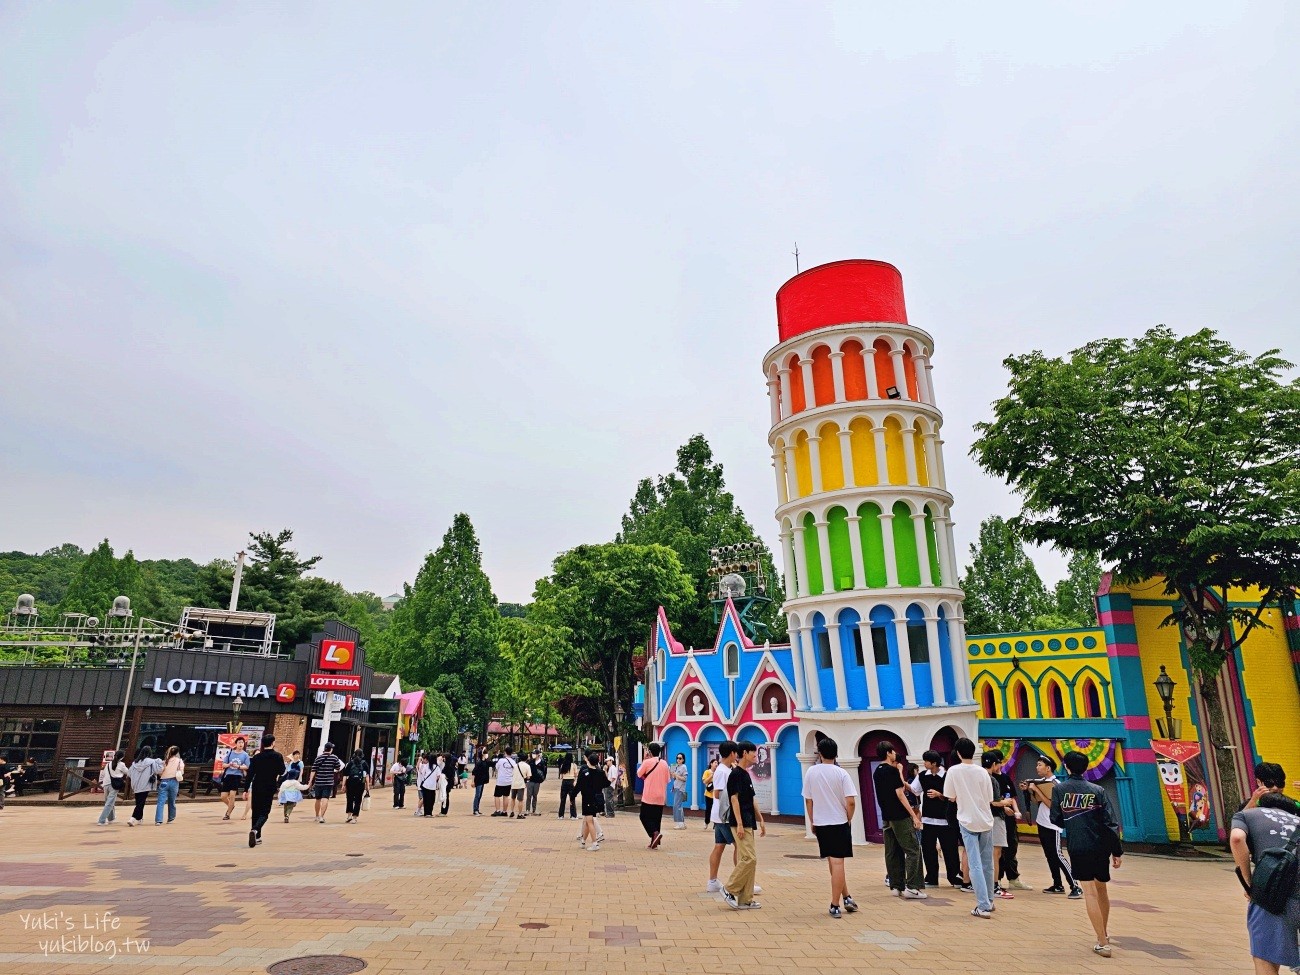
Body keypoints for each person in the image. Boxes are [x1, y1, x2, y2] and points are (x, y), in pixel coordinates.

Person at [1051, 750, 1124, 957]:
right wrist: (1116, 851)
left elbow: (1055, 818)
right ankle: (1105, 933)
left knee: (1089, 892)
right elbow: (1111, 823)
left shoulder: (1060, 790)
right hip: (1101, 846)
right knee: (1102, 890)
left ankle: (1102, 941)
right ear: (1085, 768)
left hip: (1078, 845)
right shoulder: (1097, 790)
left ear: (1066, 767)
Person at [1231, 792, 1300, 975]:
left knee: (1265, 958)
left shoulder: (1247, 815)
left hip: (1272, 892)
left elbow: (1237, 838)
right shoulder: (1297, 819)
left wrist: (1248, 883)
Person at [803, 737, 859, 918]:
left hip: (821, 823)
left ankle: (846, 896)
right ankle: (835, 904)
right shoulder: (841, 774)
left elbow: (808, 800)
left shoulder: (811, 772)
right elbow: (850, 801)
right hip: (839, 822)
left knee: (832, 861)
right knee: (837, 862)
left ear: (820, 753)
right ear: (836, 753)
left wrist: (813, 820)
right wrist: (848, 818)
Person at [944, 737, 996, 919]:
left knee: (974, 864)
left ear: (958, 753)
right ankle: (989, 900)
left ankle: (982, 905)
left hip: (967, 821)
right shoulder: (982, 772)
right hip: (986, 820)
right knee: (987, 863)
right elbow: (989, 798)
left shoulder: (953, 771)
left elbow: (949, 796)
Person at [1021, 754, 1081, 897]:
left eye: (1040, 765)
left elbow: (1052, 805)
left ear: (1048, 768)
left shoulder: (1056, 784)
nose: (1037, 767)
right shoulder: (1041, 782)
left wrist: (1036, 790)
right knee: (1050, 855)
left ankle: (1075, 885)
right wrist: (1028, 790)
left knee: (1058, 855)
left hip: (1052, 825)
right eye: (1037, 764)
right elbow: (1038, 802)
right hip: (1042, 822)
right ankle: (1057, 884)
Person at [874, 740, 925, 899]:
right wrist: (913, 816)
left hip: (887, 816)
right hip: (900, 816)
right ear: (889, 753)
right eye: (893, 751)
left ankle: (896, 886)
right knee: (913, 849)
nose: (895, 753)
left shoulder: (877, 771)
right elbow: (900, 794)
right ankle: (912, 887)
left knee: (892, 851)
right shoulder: (891, 770)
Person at [721, 740, 765, 909]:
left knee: (750, 860)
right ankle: (729, 888)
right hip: (740, 823)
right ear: (745, 753)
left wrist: (761, 819)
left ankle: (745, 899)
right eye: (753, 752)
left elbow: (752, 799)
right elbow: (734, 799)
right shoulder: (736, 774)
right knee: (749, 858)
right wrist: (739, 823)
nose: (756, 755)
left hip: (749, 822)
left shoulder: (746, 774)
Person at [911, 750, 962, 888]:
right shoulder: (922, 776)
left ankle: (954, 877)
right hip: (928, 819)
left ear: (934, 763)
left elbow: (955, 795)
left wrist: (940, 794)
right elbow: (914, 790)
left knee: (950, 849)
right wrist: (900, 778)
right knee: (928, 849)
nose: (924, 763)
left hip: (946, 819)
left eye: (926, 761)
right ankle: (931, 877)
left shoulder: (947, 775)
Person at [987, 748, 1030, 893]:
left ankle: (1013, 878)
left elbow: (1011, 797)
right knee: (997, 850)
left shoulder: (1005, 778)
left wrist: (1016, 811)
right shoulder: (988, 779)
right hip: (997, 817)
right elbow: (992, 801)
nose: (999, 765)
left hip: (1009, 819)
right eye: (997, 763)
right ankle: (996, 879)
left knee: (1011, 847)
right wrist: (1003, 807)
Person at [982, 750, 1017, 899]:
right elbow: (993, 801)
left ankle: (983, 884)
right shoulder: (992, 780)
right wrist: (1005, 803)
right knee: (995, 853)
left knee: (982, 853)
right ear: (995, 764)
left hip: (979, 819)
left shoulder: (976, 777)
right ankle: (994, 885)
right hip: (995, 817)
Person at [245, 734, 286, 847]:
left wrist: (245, 789)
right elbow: (282, 771)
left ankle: (257, 837)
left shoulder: (257, 757)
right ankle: (255, 830)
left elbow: (250, 773)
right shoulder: (277, 756)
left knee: (256, 811)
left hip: (257, 785)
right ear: (273, 743)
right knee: (264, 812)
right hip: (269, 786)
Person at [707, 743, 737, 892]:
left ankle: (712, 881)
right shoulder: (723, 771)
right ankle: (742, 881)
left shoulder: (725, 770)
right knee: (740, 846)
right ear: (732, 753)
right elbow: (717, 793)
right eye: (736, 753)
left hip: (719, 815)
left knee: (719, 846)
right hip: (724, 815)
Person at [637, 743, 672, 849]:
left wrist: (644, 760)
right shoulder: (664, 763)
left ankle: (654, 833)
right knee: (656, 818)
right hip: (661, 795)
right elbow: (667, 780)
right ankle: (654, 841)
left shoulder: (647, 762)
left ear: (650, 752)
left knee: (644, 816)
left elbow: (639, 773)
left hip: (649, 795)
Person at [304, 742, 343, 824]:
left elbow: (313, 770)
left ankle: (317, 816)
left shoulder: (318, 758)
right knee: (325, 798)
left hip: (318, 781)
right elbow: (338, 768)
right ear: (331, 749)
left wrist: (310, 781)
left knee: (317, 799)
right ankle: (322, 817)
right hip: (328, 782)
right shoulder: (334, 758)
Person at [576, 750, 606, 851]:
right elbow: (606, 783)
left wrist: (572, 796)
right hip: (597, 799)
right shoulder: (600, 772)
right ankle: (583, 841)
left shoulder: (585, 772)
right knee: (588, 820)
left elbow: (578, 786)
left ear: (588, 760)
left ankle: (595, 843)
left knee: (589, 820)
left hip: (588, 799)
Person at [126, 746, 160, 826]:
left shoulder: (135, 763)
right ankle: (133, 818)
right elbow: (158, 770)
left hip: (136, 784)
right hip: (146, 784)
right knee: (141, 802)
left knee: (139, 801)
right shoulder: (152, 762)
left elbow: (129, 773)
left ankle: (139, 818)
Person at [218, 736, 250, 821]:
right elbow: (224, 764)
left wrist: (239, 766)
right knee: (223, 796)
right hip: (228, 775)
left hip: (237, 776)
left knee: (232, 795)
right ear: (236, 744)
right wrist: (229, 765)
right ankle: (231, 806)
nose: (241, 744)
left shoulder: (245, 755)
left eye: (242, 743)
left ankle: (228, 814)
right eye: (239, 742)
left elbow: (247, 766)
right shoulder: (230, 753)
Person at [97, 749, 128, 826]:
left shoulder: (108, 764)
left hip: (106, 784)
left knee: (108, 801)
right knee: (109, 803)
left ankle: (111, 818)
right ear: (122, 757)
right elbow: (128, 772)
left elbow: (103, 774)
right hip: (114, 785)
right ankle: (101, 820)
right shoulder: (121, 764)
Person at [155, 745, 184, 825]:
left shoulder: (165, 761)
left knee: (161, 801)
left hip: (164, 781)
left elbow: (160, 772)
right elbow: (181, 772)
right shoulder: (179, 761)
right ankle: (170, 818)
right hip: (174, 781)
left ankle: (158, 820)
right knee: (172, 801)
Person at [342, 750, 370, 824]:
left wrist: (343, 785)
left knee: (349, 799)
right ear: (362, 755)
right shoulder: (364, 763)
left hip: (350, 783)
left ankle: (349, 816)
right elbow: (366, 776)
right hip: (360, 784)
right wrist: (367, 786)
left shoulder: (350, 763)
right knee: (358, 800)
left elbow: (345, 775)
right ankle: (355, 817)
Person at [494, 748, 517, 817]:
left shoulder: (501, 760)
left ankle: (498, 810)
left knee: (497, 796)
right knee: (506, 796)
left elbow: (496, 767)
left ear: (505, 752)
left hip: (500, 781)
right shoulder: (513, 762)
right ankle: (504, 811)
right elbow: (515, 770)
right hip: (509, 781)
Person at [670, 752, 689, 829]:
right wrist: (672, 773)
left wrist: (676, 775)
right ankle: (681, 823)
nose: (678, 759)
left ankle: (680, 823)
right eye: (677, 758)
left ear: (683, 759)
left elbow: (685, 779)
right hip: (676, 787)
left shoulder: (683, 767)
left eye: (680, 758)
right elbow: (673, 778)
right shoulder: (676, 767)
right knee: (678, 805)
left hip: (680, 788)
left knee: (676, 806)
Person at [416, 753, 439, 817]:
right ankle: (429, 813)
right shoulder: (437, 767)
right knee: (431, 800)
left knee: (426, 799)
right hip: (432, 786)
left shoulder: (426, 765)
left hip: (425, 785)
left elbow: (422, 773)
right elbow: (438, 776)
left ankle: (426, 813)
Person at [556, 751, 577, 819]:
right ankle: (573, 815)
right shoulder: (574, 765)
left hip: (564, 782)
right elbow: (576, 774)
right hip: (571, 782)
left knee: (563, 799)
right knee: (572, 799)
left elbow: (561, 776)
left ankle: (561, 815)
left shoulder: (563, 765)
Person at [526, 750, 546, 816]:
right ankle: (527, 810)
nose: (533, 755)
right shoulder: (530, 762)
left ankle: (534, 810)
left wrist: (541, 780)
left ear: (538, 754)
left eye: (534, 754)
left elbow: (544, 772)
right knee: (529, 795)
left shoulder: (542, 763)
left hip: (537, 782)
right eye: (533, 754)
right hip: (530, 781)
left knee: (535, 795)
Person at [512, 753, 531, 819]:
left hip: (514, 784)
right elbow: (528, 777)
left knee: (513, 798)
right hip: (521, 784)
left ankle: (512, 811)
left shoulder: (515, 765)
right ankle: (519, 814)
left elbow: (512, 774)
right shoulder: (527, 766)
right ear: (526, 759)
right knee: (520, 800)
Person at [472, 751, 491, 816]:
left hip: (482, 781)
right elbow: (474, 772)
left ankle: (477, 809)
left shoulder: (485, 762)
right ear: (482, 755)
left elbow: (492, 763)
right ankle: (475, 810)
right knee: (477, 795)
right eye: (485, 753)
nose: (487, 755)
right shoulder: (479, 762)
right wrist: (473, 781)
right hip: (478, 780)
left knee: (479, 795)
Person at [702, 756, 718, 831]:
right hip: (708, 794)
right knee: (708, 809)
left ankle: (715, 824)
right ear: (711, 764)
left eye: (717, 763)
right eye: (715, 762)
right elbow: (704, 781)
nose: (716, 764)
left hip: (716, 795)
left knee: (716, 810)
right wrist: (711, 776)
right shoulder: (707, 772)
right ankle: (706, 822)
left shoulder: (718, 772)